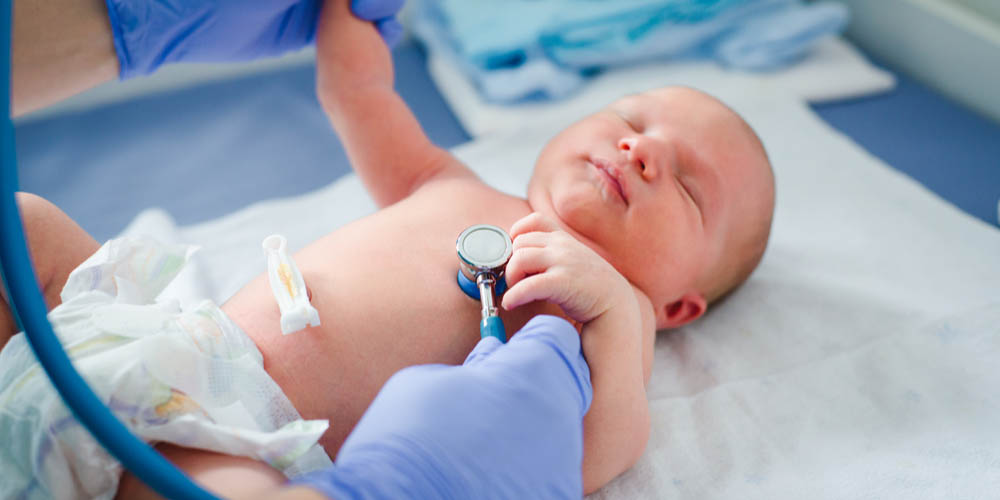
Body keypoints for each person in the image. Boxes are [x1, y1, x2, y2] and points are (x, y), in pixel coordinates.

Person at [2, 0, 776, 498]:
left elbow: (598, 450)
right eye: (628, 116)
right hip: (163, 338)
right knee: (25, 222)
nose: (641, 149)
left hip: (229, 435)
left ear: (681, 303)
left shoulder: (609, 307)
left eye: (688, 186)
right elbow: (360, 98)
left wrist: (611, 310)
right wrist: (348, 19)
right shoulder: (445, 180)